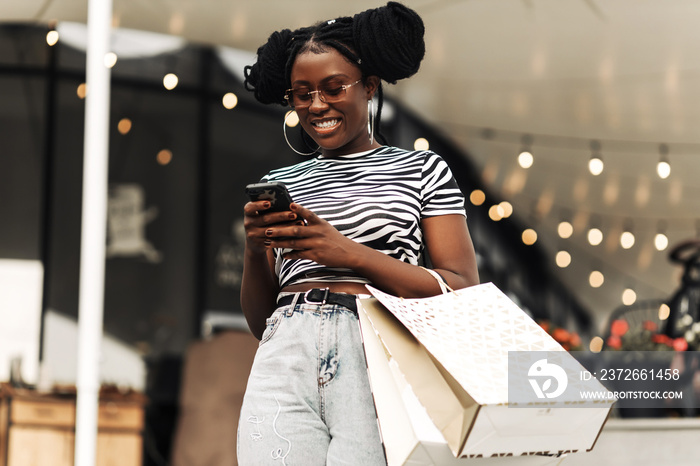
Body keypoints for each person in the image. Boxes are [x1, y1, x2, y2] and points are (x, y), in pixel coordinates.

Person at [237, 2, 479, 464]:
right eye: (301, 94)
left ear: (369, 87)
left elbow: (461, 289)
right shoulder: (285, 180)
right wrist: (253, 250)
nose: (316, 105)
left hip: (377, 349)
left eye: (332, 88)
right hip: (284, 350)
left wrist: (348, 253)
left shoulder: (422, 169)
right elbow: (259, 322)